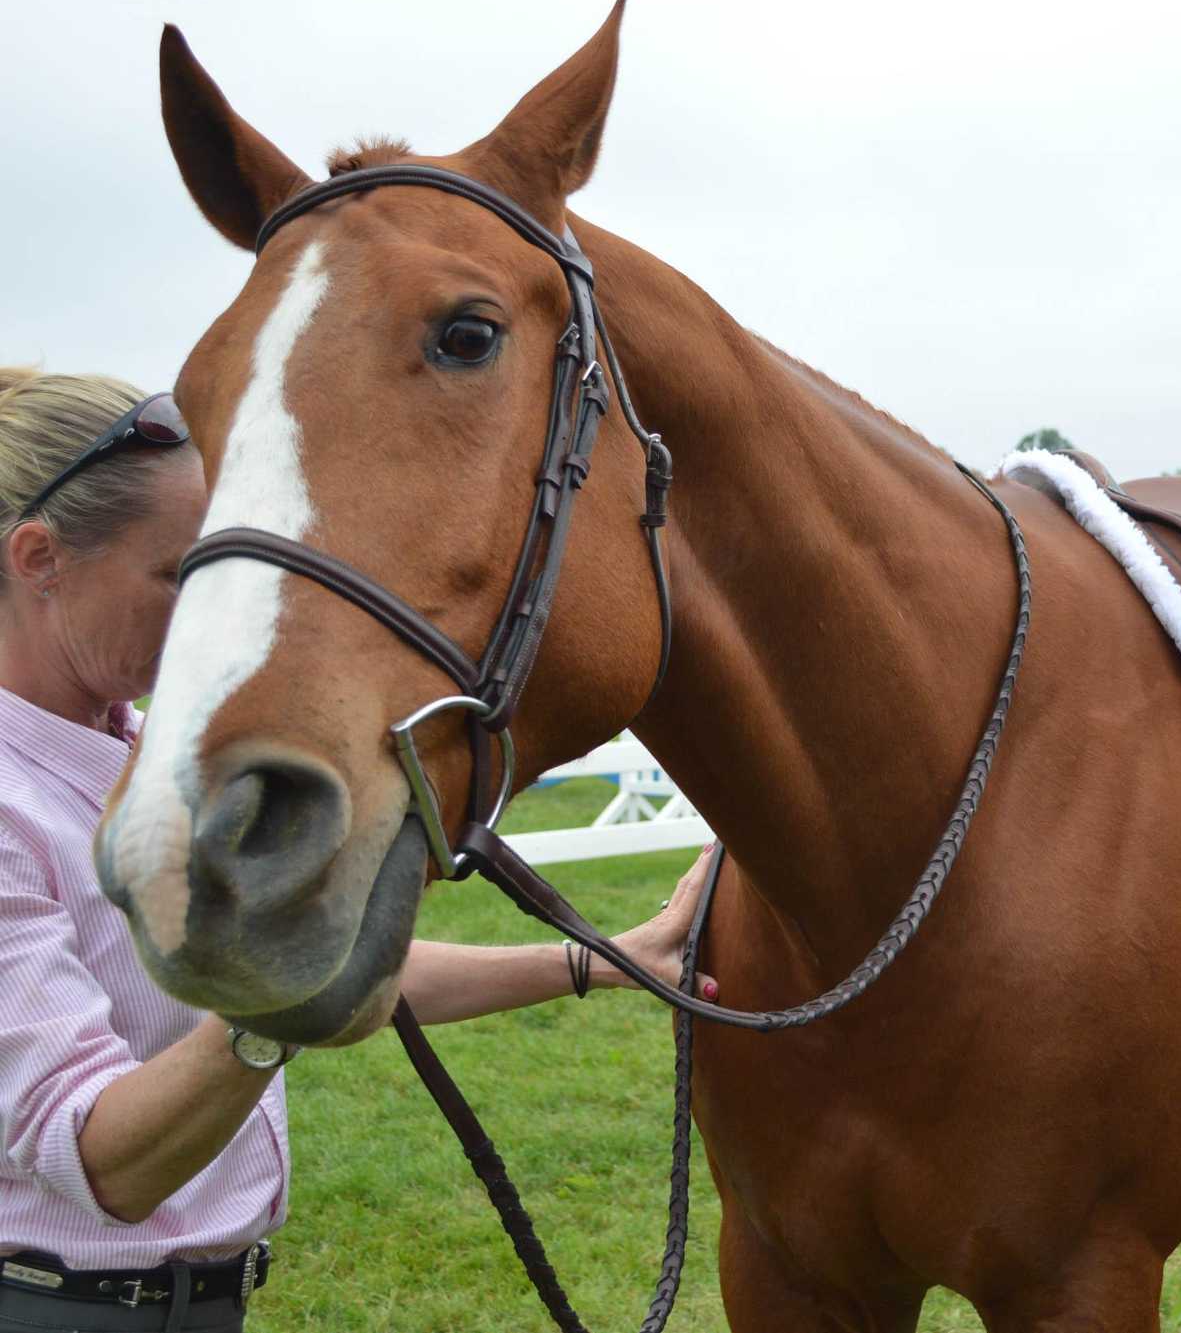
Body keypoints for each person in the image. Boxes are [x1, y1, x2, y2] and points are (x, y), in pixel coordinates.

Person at [0, 369, 717, 1332]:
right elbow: (98, 1159)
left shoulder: (135, 748)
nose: (225, 625)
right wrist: (270, 1013)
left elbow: (340, 961)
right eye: (181, 576)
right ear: (39, 557)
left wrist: (601, 960)